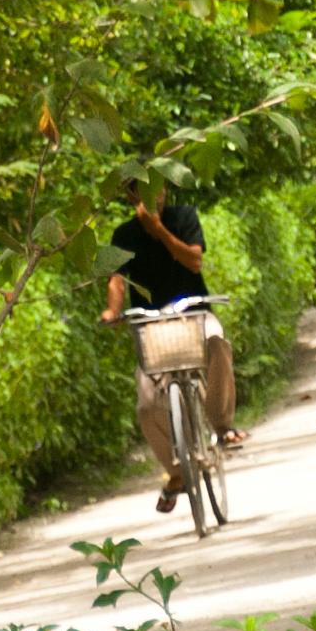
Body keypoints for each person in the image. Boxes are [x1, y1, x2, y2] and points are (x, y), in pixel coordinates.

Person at [103, 174, 240, 511]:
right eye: (142, 192)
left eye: (157, 189)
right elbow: (117, 279)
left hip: (194, 315)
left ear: (165, 190)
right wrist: (112, 310)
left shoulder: (184, 218)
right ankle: (176, 471)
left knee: (217, 342)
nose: (153, 197)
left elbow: (194, 260)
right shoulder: (123, 235)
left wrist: (160, 232)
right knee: (148, 402)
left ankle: (222, 425)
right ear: (131, 197)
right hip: (153, 325)